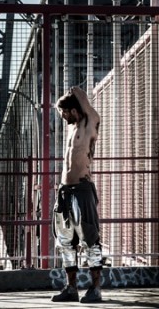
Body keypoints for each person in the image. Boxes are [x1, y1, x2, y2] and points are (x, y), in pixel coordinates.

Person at [51, 86, 104, 303]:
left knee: (90, 240)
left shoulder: (89, 123)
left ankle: (95, 289)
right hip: (65, 191)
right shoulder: (71, 129)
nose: (62, 117)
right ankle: (71, 288)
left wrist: (75, 91)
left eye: (63, 112)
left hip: (82, 190)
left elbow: (90, 109)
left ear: (73, 109)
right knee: (65, 242)